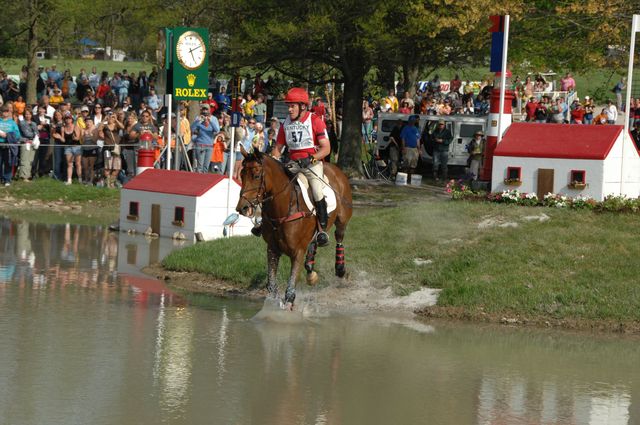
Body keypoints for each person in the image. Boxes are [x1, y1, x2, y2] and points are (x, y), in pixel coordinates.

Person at [267, 87, 332, 246]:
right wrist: (270, 161)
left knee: (316, 189)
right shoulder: (285, 124)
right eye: (288, 106)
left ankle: (322, 230)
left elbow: (326, 148)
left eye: (292, 106)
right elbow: (278, 148)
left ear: (302, 106)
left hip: (312, 164)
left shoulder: (315, 121)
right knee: (274, 185)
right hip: (293, 164)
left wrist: (311, 158)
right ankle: (263, 221)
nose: (289, 109)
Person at [98, 112, 124, 188]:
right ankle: (109, 184)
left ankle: (111, 182)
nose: (111, 118)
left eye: (113, 117)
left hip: (116, 149)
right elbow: (99, 129)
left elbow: (122, 127)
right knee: (108, 167)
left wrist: (116, 119)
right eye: (111, 117)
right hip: (107, 149)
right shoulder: (105, 126)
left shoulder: (116, 125)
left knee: (117, 168)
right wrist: (104, 119)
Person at [191, 109, 220, 173]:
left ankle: (204, 181)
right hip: (200, 146)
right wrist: (198, 120)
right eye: (204, 115)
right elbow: (192, 129)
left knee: (206, 166)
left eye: (207, 115)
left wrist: (211, 121)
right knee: (200, 166)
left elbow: (217, 130)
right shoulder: (199, 124)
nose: (206, 117)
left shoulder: (212, 125)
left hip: (209, 147)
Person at [0, 105, 20, 186]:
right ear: (1, 112)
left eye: (7, 111)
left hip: (8, 145)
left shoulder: (12, 122)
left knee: (8, 163)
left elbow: (17, 135)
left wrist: (7, 135)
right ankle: (1, 178)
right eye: (3, 111)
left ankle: (7, 179)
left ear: (9, 112)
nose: (5, 113)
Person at [18, 109, 38, 181]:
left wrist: (35, 135)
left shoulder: (34, 123)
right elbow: (27, 134)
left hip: (33, 143)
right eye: (26, 114)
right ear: (24, 115)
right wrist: (34, 134)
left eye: (29, 114)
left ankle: (28, 175)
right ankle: (23, 176)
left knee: (30, 160)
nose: (28, 115)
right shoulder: (22, 123)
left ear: (31, 115)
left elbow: (37, 133)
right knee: (24, 160)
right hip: (25, 142)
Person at [399, 115, 421, 181]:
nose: (412, 122)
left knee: (413, 165)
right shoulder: (405, 128)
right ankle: (404, 179)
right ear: (409, 121)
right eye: (411, 121)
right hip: (407, 148)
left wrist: (419, 149)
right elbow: (403, 139)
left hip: (415, 149)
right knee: (406, 164)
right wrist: (403, 148)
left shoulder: (416, 129)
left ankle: (410, 179)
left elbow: (418, 140)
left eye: (413, 121)